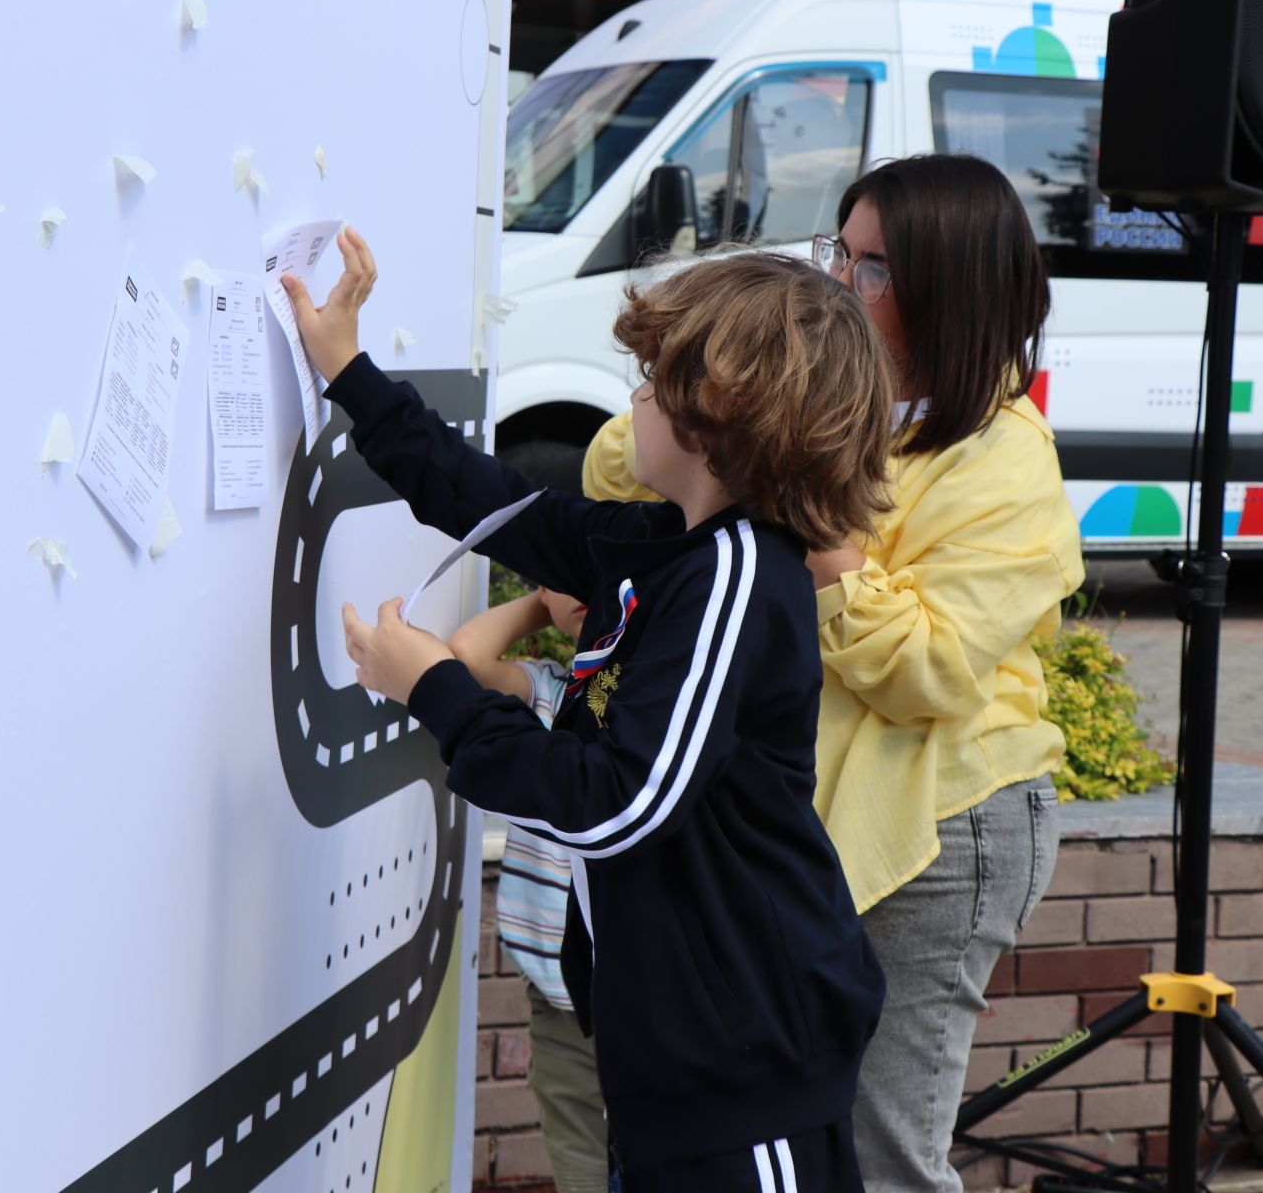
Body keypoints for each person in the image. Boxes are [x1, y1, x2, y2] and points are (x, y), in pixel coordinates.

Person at [281, 229, 893, 1192]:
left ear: (716, 415)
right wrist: (349, 373)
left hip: (745, 1082)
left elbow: (616, 803)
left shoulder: (735, 579)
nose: (635, 398)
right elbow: (498, 505)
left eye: (651, 381)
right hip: (681, 1074)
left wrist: (434, 687)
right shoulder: (672, 547)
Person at [581, 153, 1087, 1192]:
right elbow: (615, 464)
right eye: (838, 254)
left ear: (953, 290)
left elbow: (931, 668)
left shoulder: (1005, 457)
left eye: (874, 269)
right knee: (800, 1132)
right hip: (806, 820)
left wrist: (799, 503)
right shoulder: (820, 388)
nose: (841, 287)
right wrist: (716, 425)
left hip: (936, 832)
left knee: (883, 1152)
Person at [447, 586, 608, 1193]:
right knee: (577, 1157)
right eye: (561, 570)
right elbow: (466, 656)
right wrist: (547, 600)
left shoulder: (659, 693)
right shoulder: (550, 689)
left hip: (641, 992)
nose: (576, 585)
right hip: (555, 993)